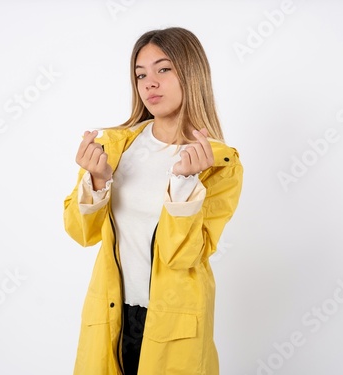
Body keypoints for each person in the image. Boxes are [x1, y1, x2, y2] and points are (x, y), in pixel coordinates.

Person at [63, 27, 243, 375]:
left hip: (174, 320)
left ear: (191, 73)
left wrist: (183, 185)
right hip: (112, 314)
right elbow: (81, 233)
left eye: (164, 69)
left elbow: (185, 255)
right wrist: (97, 181)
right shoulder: (115, 147)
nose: (150, 83)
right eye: (141, 74)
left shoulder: (219, 164)